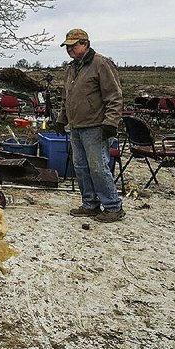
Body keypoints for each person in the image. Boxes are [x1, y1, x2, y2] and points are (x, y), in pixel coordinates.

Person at [54, 28, 124, 223]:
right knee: (81, 166)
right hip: (76, 126)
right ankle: (90, 203)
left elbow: (114, 97)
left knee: (98, 167)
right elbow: (67, 98)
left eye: (73, 45)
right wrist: (62, 118)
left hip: (95, 126)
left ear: (85, 44)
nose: (69, 49)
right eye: (67, 46)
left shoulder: (100, 64)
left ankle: (112, 206)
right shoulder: (72, 68)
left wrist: (111, 122)